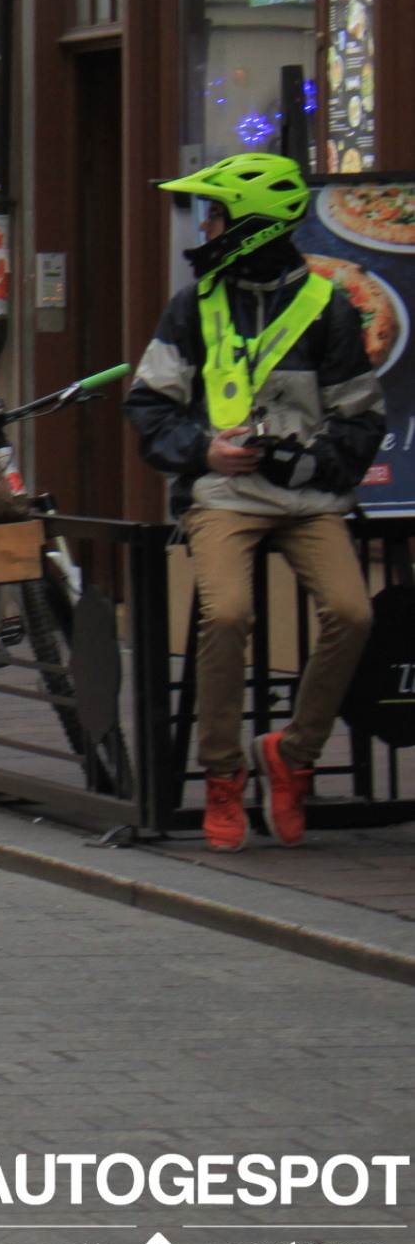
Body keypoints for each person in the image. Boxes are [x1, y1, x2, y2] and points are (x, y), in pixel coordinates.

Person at [126, 153, 384, 852]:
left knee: (353, 611)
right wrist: (205, 449)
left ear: (251, 225)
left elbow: (363, 418)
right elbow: (149, 405)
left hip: (309, 498)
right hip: (224, 492)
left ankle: (293, 756)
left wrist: (313, 460)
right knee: (228, 610)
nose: (204, 226)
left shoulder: (329, 306)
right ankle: (222, 773)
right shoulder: (194, 303)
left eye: (215, 214)